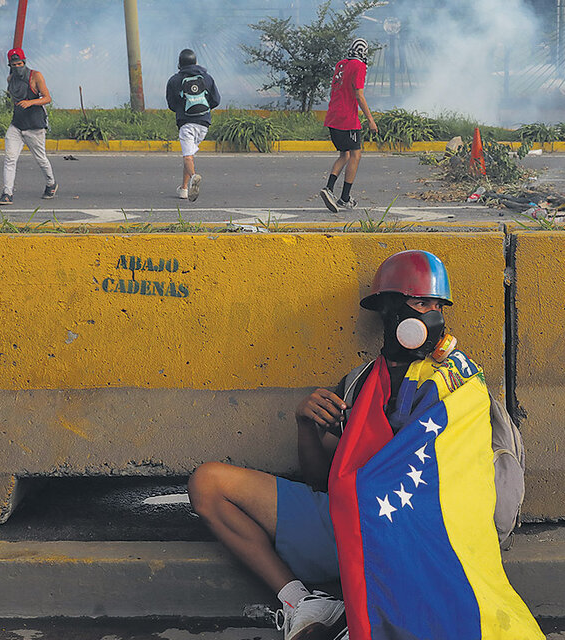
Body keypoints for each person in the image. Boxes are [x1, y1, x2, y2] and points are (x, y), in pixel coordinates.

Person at [188, 251, 541, 640]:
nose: (433, 315)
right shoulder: (361, 383)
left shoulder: (455, 381)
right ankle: (305, 603)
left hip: (418, 534)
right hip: (349, 521)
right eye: (421, 303)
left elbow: (458, 485)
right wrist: (306, 425)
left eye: (439, 305)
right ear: (390, 309)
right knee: (209, 483)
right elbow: (325, 481)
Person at [319, 38, 378, 213]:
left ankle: (330, 189)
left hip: (333, 116)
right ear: (364, 53)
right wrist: (371, 120)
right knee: (356, 155)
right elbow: (359, 95)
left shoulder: (341, 64)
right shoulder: (359, 66)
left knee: (344, 154)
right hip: (347, 119)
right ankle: (344, 197)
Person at [0, 48, 57, 206]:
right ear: (9, 65)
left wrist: (30, 102)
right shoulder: (11, 79)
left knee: (40, 158)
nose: (17, 66)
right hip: (16, 124)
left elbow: (47, 98)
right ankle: (7, 193)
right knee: (10, 159)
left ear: (24, 62)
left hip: (34, 125)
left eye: (20, 63)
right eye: (14, 64)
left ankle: (51, 184)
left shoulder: (35, 76)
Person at [165, 48, 220, 202]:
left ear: (179, 64)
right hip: (204, 124)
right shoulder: (207, 78)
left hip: (186, 123)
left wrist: (182, 110)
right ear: (195, 62)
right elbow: (216, 100)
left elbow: (171, 104)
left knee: (187, 156)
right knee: (189, 156)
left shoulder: (174, 80)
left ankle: (194, 177)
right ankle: (183, 189)